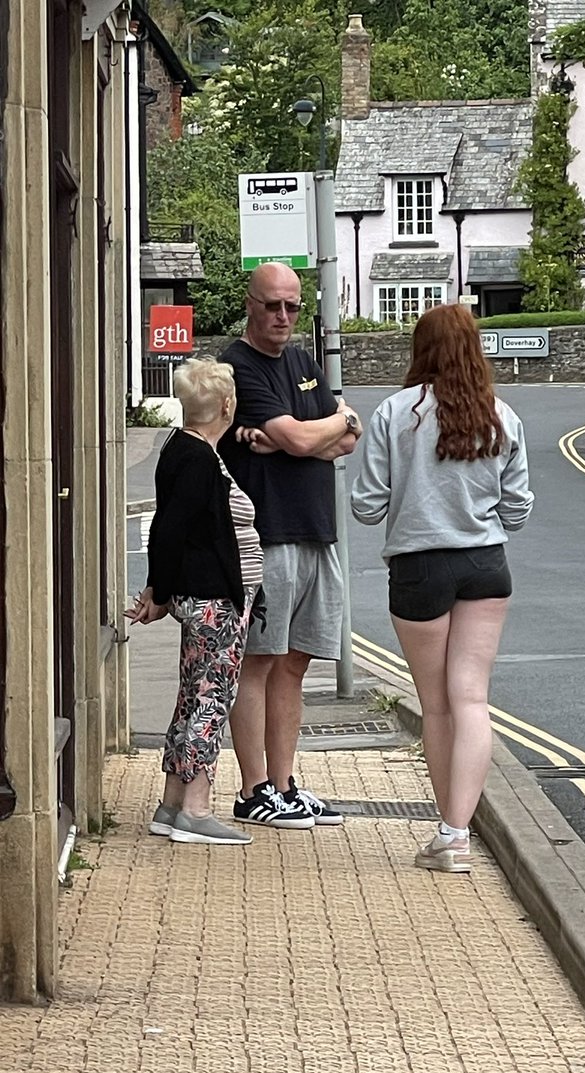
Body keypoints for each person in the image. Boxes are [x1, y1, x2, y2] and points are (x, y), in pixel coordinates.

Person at [350, 303, 534, 873]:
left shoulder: (393, 413)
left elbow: (365, 504)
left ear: (421, 349)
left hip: (418, 568)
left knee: (435, 707)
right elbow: (519, 507)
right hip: (485, 564)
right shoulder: (500, 414)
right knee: (472, 698)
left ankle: (446, 835)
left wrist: (412, 494)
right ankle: (457, 833)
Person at [217, 262, 363, 830]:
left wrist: (293, 442)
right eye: (273, 305)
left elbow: (346, 437)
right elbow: (315, 434)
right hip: (265, 535)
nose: (283, 316)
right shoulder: (237, 367)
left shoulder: (303, 363)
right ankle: (253, 790)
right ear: (250, 304)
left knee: (296, 664)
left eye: (293, 307)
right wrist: (310, 435)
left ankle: (283, 784)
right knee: (258, 660)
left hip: (314, 528)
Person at [126, 357, 265, 846]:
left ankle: (171, 803)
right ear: (227, 405)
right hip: (214, 601)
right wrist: (157, 593)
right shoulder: (199, 458)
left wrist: (158, 591)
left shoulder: (181, 447)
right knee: (212, 700)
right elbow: (170, 530)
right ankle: (197, 808)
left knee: (192, 698)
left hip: (206, 596)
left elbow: (169, 527)